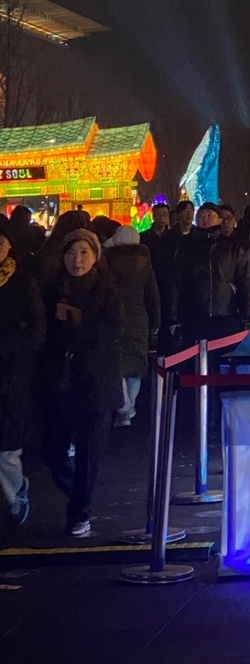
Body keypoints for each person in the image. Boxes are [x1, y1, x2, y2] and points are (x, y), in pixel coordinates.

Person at [38, 229, 123, 535]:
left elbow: (111, 332)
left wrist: (75, 319)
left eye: (85, 252)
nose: (78, 259)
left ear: (96, 256)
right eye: (72, 252)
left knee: (88, 454)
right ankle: (79, 494)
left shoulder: (107, 289)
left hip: (96, 383)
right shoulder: (51, 290)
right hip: (61, 381)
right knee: (52, 450)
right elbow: (42, 333)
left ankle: (79, 512)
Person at [0, 218, 44, 527]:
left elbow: (38, 330)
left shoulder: (22, 280)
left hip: (11, 373)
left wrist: (9, 344)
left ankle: (16, 492)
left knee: (6, 446)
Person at [170, 203, 250, 345]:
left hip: (226, 315)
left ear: (219, 219)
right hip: (194, 316)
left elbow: (245, 281)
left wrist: (248, 315)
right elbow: (177, 283)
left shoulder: (232, 247)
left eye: (209, 215)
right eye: (201, 215)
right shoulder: (187, 247)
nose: (205, 218)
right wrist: (174, 318)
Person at [103, 224, 160, 426]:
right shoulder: (145, 262)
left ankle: (124, 405)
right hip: (139, 319)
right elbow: (152, 295)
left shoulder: (108, 261)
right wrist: (155, 322)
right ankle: (129, 409)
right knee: (136, 365)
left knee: (117, 363)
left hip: (114, 316)